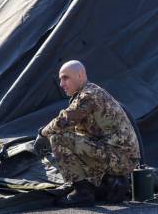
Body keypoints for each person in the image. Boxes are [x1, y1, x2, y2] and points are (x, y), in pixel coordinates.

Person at [34, 60, 140, 207]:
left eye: (65, 78)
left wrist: (42, 134)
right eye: (60, 79)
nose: (61, 84)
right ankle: (111, 182)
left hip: (119, 158)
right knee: (73, 137)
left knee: (58, 138)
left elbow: (63, 121)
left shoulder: (88, 95)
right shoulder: (89, 93)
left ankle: (83, 192)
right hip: (118, 156)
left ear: (80, 75)